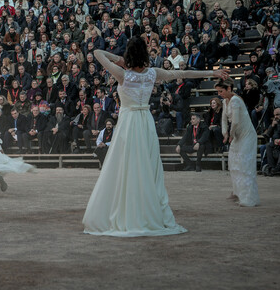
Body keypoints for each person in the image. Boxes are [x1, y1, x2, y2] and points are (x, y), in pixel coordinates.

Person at [83, 37, 228, 237]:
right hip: (145, 122)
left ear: (128, 55)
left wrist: (119, 59)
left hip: (128, 123)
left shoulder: (122, 74)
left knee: (125, 165)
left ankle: (128, 208)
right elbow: (184, 72)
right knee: (148, 165)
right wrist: (212, 72)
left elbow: (98, 53)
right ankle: (148, 208)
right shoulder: (153, 73)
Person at [216, 79, 260, 207]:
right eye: (218, 91)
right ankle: (237, 192)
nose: (219, 94)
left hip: (246, 135)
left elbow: (235, 121)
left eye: (221, 91)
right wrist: (225, 133)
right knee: (233, 161)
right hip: (236, 135)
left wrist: (231, 134)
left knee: (244, 164)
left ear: (229, 88)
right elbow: (224, 119)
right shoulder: (225, 101)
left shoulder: (235, 100)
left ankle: (248, 197)